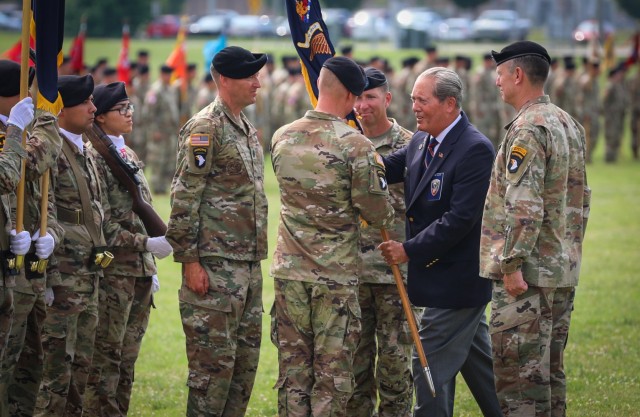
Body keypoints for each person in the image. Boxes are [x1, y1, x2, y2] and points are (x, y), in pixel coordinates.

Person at [270, 56, 395, 417]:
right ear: (353, 97)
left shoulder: (283, 136)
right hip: (334, 278)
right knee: (332, 374)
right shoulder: (356, 146)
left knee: (294, 373)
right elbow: (377, 213)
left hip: (289, 272)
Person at [379, 67, 502, 417]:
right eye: (413, 98)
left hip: (457, 283)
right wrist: (348, 147)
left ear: (450, 104)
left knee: (428, 362)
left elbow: (460, 219)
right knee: (481, 368)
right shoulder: (421, 139)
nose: (414, 106)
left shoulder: (475, 149)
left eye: (422, 99)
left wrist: (408, 249)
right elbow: (385, 168)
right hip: (438, 282)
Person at [480, 41, 590, 417]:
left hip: (527, 277)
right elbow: (581, 201)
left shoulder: (527, 129)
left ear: (518, 75)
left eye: (500, 73)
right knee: (548, 376)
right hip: (560, 270)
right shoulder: (567, 123)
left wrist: (511, 266)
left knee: (521, 383)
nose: (496, 81)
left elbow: (525, 206)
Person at [165, 46, 268, 417]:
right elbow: (184, 198)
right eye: (249, 76)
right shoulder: (206, 127)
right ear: (224, 79)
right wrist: (190, 261)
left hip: (248, 266)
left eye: (258, 75)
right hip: (215, 267)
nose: (258, 83)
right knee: (212, 375)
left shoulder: (242, 127)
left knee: (243, 372)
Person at [83, 81, 172, 417]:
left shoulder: (126, 153)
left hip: (139, 272)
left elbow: (142, 207)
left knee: (128, 362)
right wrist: (145, 244)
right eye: (121, 109)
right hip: (114, 272)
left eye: (130, 107)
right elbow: (102, 224)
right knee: (105, 360)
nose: (129, 113)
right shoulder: (95, 158)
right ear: (101, 117)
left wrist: (149, 260)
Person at [34, 75, 109, 417]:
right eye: (85, 102)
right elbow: (42, 214)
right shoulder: (52, 150)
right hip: (61, 276)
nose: (94, 108)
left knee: (81, 368)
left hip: (87, 276)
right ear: (61, 109)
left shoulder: (85, 149)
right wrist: (45, 278)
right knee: (54, 373)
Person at [346, 67, 415, 417]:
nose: (362, 105)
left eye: (370, 97)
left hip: (394, 275)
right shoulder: (345, 142)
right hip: (353, 274)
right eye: (357, 97)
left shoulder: (411, 145)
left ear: (387, 99)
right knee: (355, 371)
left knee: (395, 368)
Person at [0, 60, 63, 417]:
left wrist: (49, 232)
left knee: (31, 364)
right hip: (6, 269)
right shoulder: (13, 134)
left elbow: (41, 169)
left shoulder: (20, 134)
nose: (31, 100)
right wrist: (15, 130)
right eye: (26, 93)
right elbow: (6, 177)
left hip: (26, 271)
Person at [143, 64, 179, 194]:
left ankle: (163, 187)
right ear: (162, 74)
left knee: (168, 160)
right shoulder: (155, 90)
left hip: (169, 133)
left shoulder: (170, 89)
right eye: (168, 74)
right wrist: (154, 130)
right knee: (158, 160)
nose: (169, 77)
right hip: (159, 132)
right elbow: (148, 113)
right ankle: (156, 187)